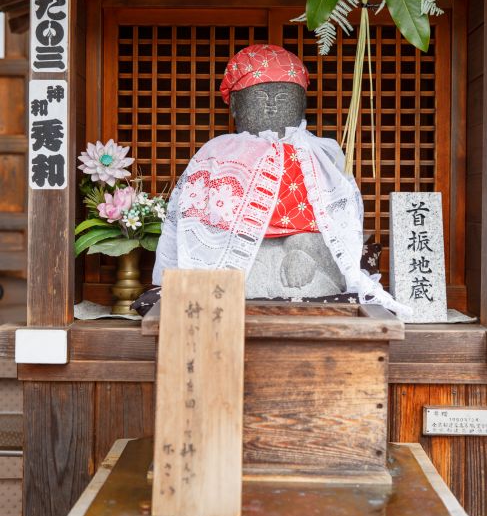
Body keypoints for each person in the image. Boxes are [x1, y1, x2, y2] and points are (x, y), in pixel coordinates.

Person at [152, 44, 410, 320]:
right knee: (235, 273)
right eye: (261, 96)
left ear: (302, 103)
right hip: (237, 254)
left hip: (308, 250)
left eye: (284, 96)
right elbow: (198, 229)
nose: (272, 104)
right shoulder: (217, 154)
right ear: (236, 105)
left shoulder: (321, 153)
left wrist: (302, 246)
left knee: (316, 268)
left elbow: (340, 229)